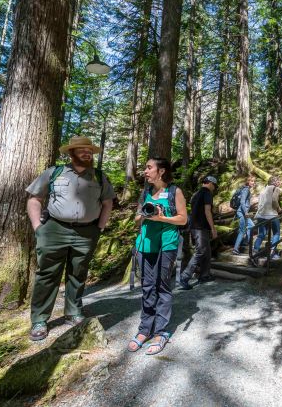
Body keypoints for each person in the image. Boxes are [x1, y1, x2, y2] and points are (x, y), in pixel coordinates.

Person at [26, 136, 115, 341]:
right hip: (54, 230)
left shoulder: (99, 177)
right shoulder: (54, 172)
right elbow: (34, 199)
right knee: (47, 274)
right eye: (82, 150)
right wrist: (38, 227)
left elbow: (107, 203)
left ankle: (73, 312)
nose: (87, 153)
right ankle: (39, 319)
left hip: (87, 232)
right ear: (71, 153)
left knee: (78, 273)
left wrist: (99, 228)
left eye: (89, 150)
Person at [127, 157, 188, 355]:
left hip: (166, 244)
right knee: (147, 287)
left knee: (162, 287)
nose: (145, 171)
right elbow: (137, 219)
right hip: (145, 244)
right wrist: (145, 215)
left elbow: (183, 219)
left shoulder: (174, 191)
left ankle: (161, 332)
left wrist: (161, 217)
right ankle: (145, 329)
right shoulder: (145, 192)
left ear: (161, 171)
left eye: (149, 167)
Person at [179, 175, 218, 290]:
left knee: (207, 251)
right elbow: (207, 211)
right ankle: (184, 276)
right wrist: (213, 228)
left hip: (195, 226)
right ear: (210, 183)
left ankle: (204, 275)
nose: (214, 188)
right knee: (201, 251)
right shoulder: (207, 193)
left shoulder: (196, 194)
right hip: (200, 227)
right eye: (214, 186)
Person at [253, 176, 282, 261]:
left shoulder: (263, 190)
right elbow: (274, 200)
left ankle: (254, 252)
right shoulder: (276, 189)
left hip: (260, 215)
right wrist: (279, 209)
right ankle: (272, 253)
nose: (280, 183)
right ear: (275, 182)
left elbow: (259, 204)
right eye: (279, 181)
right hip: (271, 215)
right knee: (276, 233)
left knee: (261, 234)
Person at [232, 176, 256, 255]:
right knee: (242, 230)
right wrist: (246, 212)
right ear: (248, 182)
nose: (253, 183)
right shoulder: (246, 189)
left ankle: (245, 242)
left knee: (251, 226)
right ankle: (235, 249)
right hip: (242, 212)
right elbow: (242, 202)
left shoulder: (246, 189)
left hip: (243, 212)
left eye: (254, 181)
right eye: (252, 181)